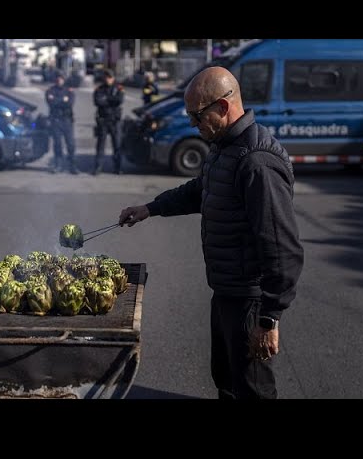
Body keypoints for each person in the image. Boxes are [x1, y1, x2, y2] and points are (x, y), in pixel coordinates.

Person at [118, 67, 304, 399]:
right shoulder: (224, 145)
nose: (192, 123)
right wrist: (151, 208)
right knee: (226, 378)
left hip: (250, 299)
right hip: (227, 291)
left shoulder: (257, 162)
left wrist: (269, 319)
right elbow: (201, 190)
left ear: (221, 106)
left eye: (196, 115)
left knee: (253, 388)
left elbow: (281, 247)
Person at [45, 70, 78, 174]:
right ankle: (58, 165)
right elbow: (51, 103)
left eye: (61, 78)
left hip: (67, 120)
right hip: (56, 120)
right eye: (58, 78)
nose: (59, 80)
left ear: (64, 79)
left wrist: (58, 100)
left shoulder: (69, 91)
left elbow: (69, 103)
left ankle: (72, 166)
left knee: (71, 144)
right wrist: (62, 100)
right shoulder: (50, 90)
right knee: (57, 144)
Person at [93, 69, 125, 175]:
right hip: (103, 121)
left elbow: (119, 100)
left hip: (115, 121)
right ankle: (98, 167)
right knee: (100, 145)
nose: (108, 79)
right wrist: (111, 100)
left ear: (113, 78)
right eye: (106, 77)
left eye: (110, 77)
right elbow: (97, 101)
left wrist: (106, 99)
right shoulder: (99, 89)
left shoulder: (118, 88)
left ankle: (117, 168)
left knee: (117, 145)